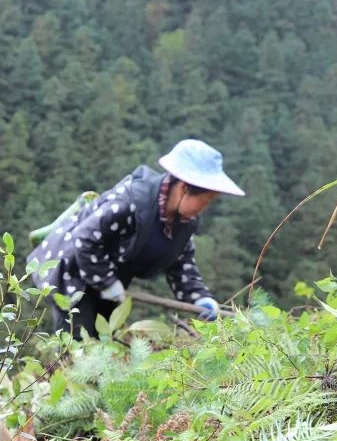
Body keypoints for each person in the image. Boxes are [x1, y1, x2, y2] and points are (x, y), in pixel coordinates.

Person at [27, 139, 244, 337]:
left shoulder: (184, 223)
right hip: (71, 271)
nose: (205, 207)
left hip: (109, 276)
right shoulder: (130, 202)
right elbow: (84, 239)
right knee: (78, 339)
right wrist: (106, 282)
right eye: (205, 199)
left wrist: (199, 297)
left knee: (106, 336)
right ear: (184, 188)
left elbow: (181, 265)